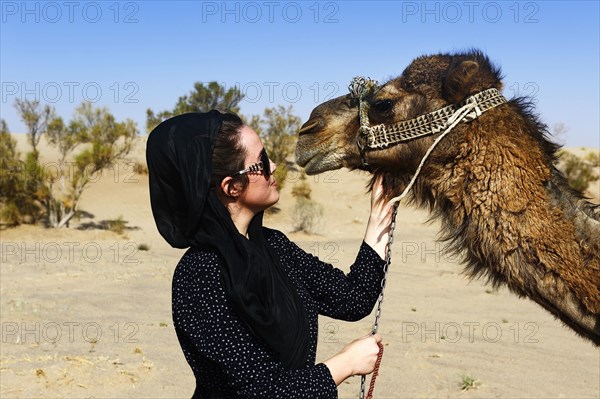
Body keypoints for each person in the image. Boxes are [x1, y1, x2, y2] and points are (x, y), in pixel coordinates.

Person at [146, 110, 394, 398]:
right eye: (262, 162)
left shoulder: (274, 246)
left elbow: (353, 299)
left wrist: (380, 217)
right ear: (232, 186)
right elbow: (261, 390)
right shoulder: (200, 275)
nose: (274, 166)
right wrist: (345, 364)